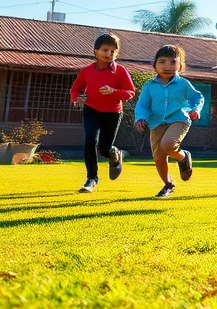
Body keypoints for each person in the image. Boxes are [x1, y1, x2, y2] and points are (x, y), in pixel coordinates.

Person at [133, 44, 204, 198]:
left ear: (180, 65)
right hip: (156, 122)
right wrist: (140, 118)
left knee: (168, 144)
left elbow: (197, 97)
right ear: (155, 65)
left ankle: (183, 157)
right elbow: (142, 105)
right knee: (158, 157)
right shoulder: (149, 86)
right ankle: (168, 184)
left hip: (179, 118)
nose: (167, 66)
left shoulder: (183, 84)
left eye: (173, 62)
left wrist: (195, 110)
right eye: (162, 62)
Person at [69, 33, 136, 193]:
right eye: (105, 50)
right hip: (91, 110)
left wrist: (113, 91)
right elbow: (76, 89)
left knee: (104, 149)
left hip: (112, 113)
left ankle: (114, 153)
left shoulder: (121, 71)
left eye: (113, 51)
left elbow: (130, 92)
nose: (109, 54)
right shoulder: (86, 71)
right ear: (96, 51)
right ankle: (92, 179)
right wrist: (77, 98)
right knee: (90, 141)